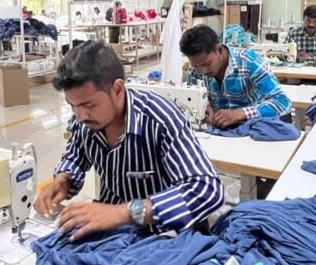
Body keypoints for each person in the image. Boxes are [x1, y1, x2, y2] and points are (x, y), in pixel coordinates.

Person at [33, 42, 223, 238]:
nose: (81, 115)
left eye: (88, 104)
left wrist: (124, 212)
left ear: (117, 89)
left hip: (167, 234)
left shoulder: (161, 119)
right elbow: (75, 158)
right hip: (115, 232)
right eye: (73, 106)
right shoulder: (86, 122)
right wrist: (62, 182)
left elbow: (207, 191)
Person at [180, 25, 291, 127]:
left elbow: (283, 102)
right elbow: (193, 97)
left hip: (253, 128)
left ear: (219, 50)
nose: (203, 71)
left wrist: (241, 113)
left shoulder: (250, 62)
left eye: (207, 64)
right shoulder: (196, 68)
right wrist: (205, 107)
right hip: (220, 132)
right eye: (197, 67)